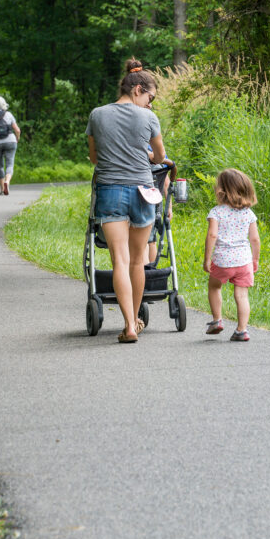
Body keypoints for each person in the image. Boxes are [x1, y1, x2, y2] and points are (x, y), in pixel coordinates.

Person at [86, 58, 166, 343]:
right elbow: (158, 157)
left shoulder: (97, 114)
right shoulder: (148, 118)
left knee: (119, 260)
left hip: (110, 192)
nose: (150, 103)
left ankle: (130, 325)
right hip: (144, 191)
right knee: (137, 261)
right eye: (150, 97)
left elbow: (94, 158)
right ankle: (134, 322)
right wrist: (144, 155)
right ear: (138, 90)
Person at [202, 169, 261, 342]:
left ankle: (216, 320)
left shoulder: (217, 212)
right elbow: (255, 239)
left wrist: (207, 258)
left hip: (223, 260)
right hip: (244, 261)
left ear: (222, 190)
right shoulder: (249, 214)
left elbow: (212, 235)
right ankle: (242, 330)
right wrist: (255, 259)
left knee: (214, 286)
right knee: (242, 295)